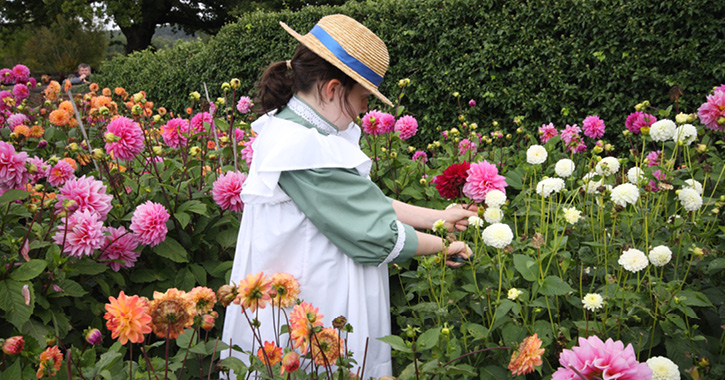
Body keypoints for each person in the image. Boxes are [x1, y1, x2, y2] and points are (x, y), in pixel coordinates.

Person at [220, 14, 476, 379]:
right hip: (314, 304)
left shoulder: (302, 130)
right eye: (362, 98)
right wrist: (445, 246)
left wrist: (438, 217)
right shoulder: (300, 145)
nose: (363, 111)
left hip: (308, 290)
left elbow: (365, 202)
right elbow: (370, 232)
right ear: (331, 89)